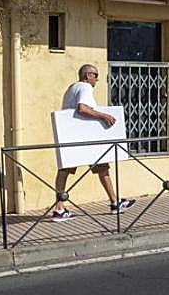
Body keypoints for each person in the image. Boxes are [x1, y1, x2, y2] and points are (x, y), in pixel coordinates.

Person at [50, 64, 135, 222]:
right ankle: (113, 203)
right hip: (85, 137)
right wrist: (103, 116)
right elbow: (82, 108)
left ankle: (61, 208)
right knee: (101, 169)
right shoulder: (85, 87)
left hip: (72, 135)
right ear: (87, 75)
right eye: (95, 75)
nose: (97, 79)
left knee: (68, 170)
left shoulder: (71, 88)